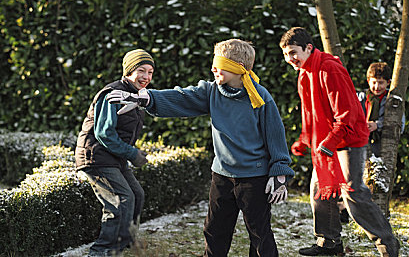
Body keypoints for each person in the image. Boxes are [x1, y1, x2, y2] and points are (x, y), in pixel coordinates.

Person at [107, 38, 295, 257]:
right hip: (222, 176)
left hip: (254, 178)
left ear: (238, 69)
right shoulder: (212, 91)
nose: (213, 69)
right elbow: (182, 97)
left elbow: (275, 136)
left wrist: (280, 172)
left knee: (259, 234)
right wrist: (146, 98)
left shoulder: (261, 98)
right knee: (214, 230)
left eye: (220, 66)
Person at [279, 27, 400, 257]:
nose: (290, 59)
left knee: (352, 194)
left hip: (348, 138)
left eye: (293, 52)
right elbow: (311, 113)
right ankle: (329, 242)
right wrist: (306, 139)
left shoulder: (329, 69)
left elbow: (346, 112)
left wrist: (330, 141)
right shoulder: (305, 72)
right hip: (327, 140)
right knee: (319, 190)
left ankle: (388, 245)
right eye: (286, 54)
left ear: (309, 48)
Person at [75, 49, 154, 257]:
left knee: (136, 194)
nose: (146, 77)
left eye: (150, 72)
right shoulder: (113, 93)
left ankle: (125, 241)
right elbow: (104, 133)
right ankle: (101, 250)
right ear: (128, 71)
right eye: (141, 70)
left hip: (113, 157)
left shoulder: (135, 96)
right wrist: (131, 153)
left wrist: (131, 153)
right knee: (121, 198)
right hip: (96, 155)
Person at [357, 62, 405, 157]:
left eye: (381, 83)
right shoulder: (360, 98)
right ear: (368, 81)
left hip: (382, 147)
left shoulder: (393, 101)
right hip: (361, 145)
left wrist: (377, 125)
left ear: (388, 82)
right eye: (374, 82)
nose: (377, 87)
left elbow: (400, 125)